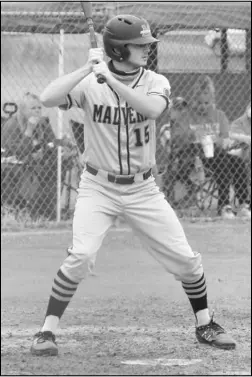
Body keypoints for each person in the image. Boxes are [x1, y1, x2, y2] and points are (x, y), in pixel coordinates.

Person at [30, 15, 236, 356]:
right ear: (117, 49)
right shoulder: (91, 83)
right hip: (98, 187)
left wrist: (110, 77)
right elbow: (47, 97)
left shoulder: (156, 81)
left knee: (186, 260)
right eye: (139, 46)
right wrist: (86, 69)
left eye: (146, 45)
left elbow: (152, 110)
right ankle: (46, 331)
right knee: (80, 256)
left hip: (143, 189)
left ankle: (205, 324)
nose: (145, 50)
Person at [1, 92, 75, 219]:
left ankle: (48, 211)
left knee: (62, 163)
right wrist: (29, 130)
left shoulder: (42, 123)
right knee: (30, 169)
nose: (37, 111)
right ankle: (30, 210)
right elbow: (19, 153)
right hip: (15, 166)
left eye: (39, 108)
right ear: (23, 110)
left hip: (39, 164)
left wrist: (62, 142)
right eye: (33, 108)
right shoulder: (12, 125)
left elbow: (50, 143)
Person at [189, 76, 251, 219]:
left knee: (238, 163)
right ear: (194, 101)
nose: (203, 106)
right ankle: (224, 206)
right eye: (199, 103)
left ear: (212, 101)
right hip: (197, 155)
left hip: (216, 153)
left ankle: (243, 204)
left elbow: (224, 140)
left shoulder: (219, 115)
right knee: (222, 159)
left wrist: (218, 140)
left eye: (207, 102)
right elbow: (187, 138)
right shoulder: (190, 116)